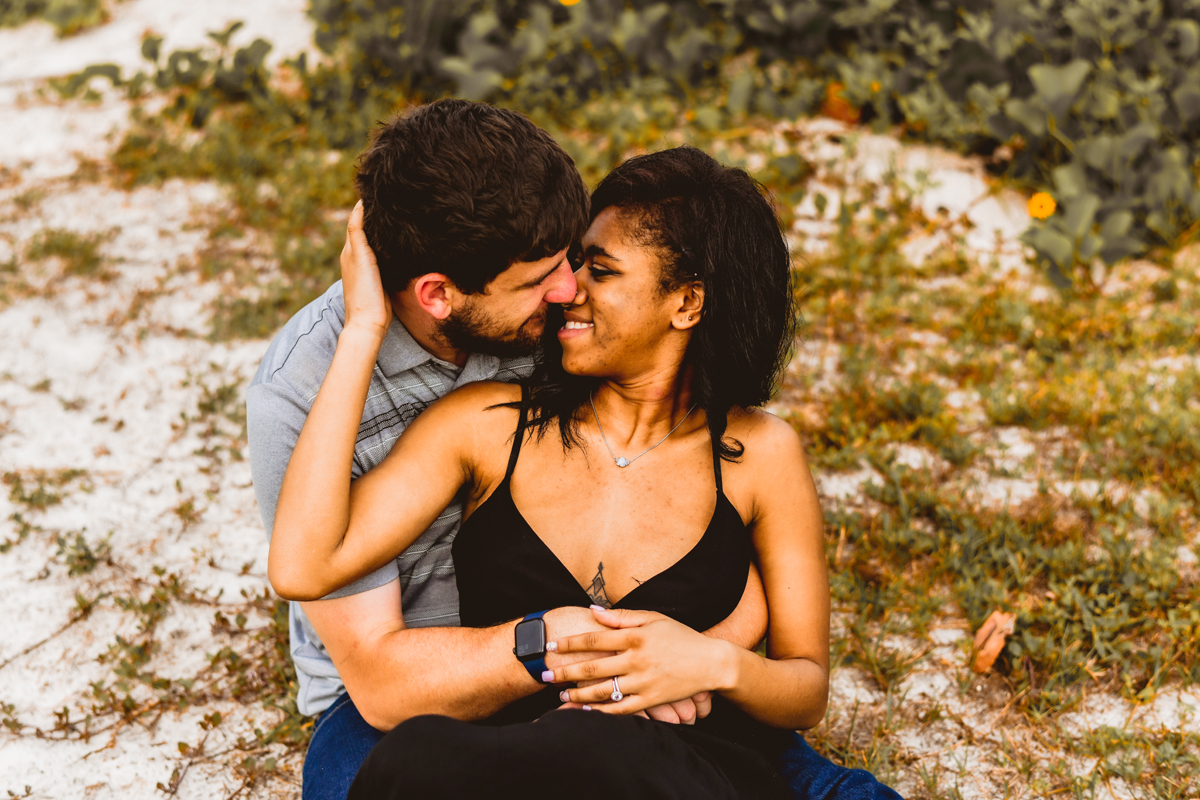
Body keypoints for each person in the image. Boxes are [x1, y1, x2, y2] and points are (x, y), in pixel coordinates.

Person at [268, 146, 903, 799]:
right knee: (408, 762)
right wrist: (362, 328)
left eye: (599, 270)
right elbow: (302, 567)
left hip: (686, 769)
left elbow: (804, 688)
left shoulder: (762, 454)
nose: (568, 288)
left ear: (686, 303)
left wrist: (710, 663)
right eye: (574, 263)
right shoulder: (487, 424)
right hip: (511, 758)